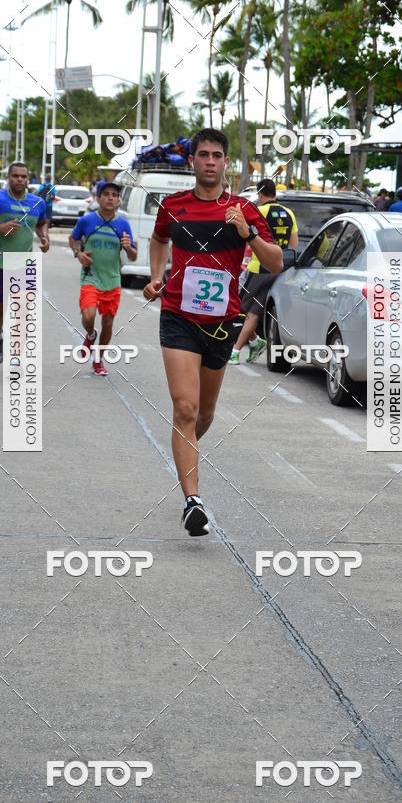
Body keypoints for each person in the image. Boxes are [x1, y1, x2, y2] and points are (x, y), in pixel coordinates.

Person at [143, 128, 282, 537]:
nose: (209, 161)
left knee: (203, 415)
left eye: (216, 155)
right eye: (202, 154)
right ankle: (193, 501)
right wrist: (155, 277)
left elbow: (275, 264)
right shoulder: (173, 206)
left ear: (226, 163)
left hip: (222, 323)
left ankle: (186, 450)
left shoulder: (243, 208)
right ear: (193, 161)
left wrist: (248, 233)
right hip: (178, 317)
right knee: (184, 409)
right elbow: (158, 240)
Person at [0, 162, 49, 363]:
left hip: (25, 265)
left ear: (28, 179)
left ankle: (16, 357)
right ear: (9, 178)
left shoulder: (37, 203)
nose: (20, 180)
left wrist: (44, 237)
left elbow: (41, 223)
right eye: (15, 176)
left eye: (23, 176)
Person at [69, 181, 137, 376]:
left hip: (113, 280)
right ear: (97, 198)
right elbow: (73, 239)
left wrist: (128, 247)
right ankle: (90, 335)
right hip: (91, 277)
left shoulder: (123, 224)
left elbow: (132, 256)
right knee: (88, 316)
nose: (110, 197)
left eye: (114, 195)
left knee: (108, 323)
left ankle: (98, 360)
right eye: (105, 194)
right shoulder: (87, 220)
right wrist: (78, 254)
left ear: (118, 200)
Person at [231, 178, 298, 363]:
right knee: (248, 309)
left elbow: (246, 239)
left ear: (260, 194)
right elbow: (294, 245)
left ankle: (236, 351)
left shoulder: (258, 211)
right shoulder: (289, 214)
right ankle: (255, 342)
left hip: (258, 268)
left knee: (250, 312)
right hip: (281, 269)